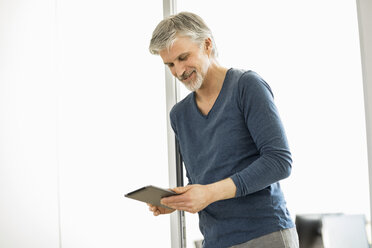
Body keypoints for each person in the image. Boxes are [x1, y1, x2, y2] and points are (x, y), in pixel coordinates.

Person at [147, 12, 299, 248]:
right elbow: (200, 181)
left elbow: (279, 161)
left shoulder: (246, 86)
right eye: (170, 65)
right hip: (215, 241)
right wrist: (179, 200)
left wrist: (208, 193)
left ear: (207, 44)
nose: (178, 71)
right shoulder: (179, 115)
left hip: (265, 235)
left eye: (183, 57)